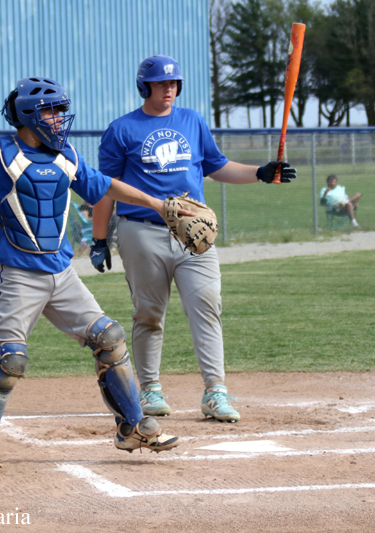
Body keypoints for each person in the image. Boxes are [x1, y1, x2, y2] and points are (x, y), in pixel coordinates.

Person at [0, 77, 197, 475]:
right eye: (51, 111)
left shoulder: (66, 156)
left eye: (61, 111)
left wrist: (157, 203)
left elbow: (105, 186)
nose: (59, 119)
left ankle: (133, 427)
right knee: (10, 362)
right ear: (29, 116)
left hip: (61, 273)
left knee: (109, 338)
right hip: (21, 275)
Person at [91, 55, 296, 423]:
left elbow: (216, 166)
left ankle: (215, 391)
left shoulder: (191, 121)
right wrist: (99, 238)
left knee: (207, 305)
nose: (169, 89)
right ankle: (150, 389)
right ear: (145, 86)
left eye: (173, 83)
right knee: (149, 313)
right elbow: (106, 189)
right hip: (141, 231)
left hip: (194, 233)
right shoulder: (121, 129)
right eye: (161, 83)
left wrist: (261, 172)